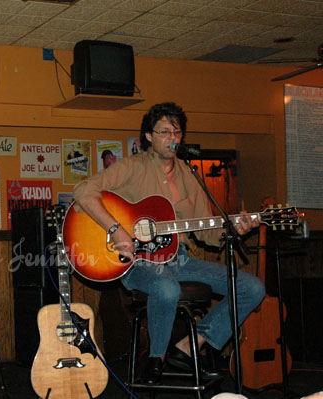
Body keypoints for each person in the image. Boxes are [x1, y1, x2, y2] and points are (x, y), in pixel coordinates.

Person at [72, 102, 265, 384]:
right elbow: (82, 191)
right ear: (148, 137)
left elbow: (208, 233)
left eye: (176, 132)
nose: (172, 138)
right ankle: (156, 359)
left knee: (252, 287)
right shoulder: (132, 167)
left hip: (181, 259)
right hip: (136, 261)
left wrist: (236, 228)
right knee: (165, 287)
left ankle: (189, 347)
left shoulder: (189, 174)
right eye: (164, 131)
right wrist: (116, 230)